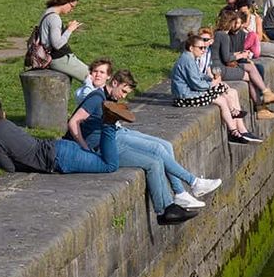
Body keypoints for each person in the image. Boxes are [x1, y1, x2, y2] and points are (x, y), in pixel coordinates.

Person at [74, 59, 221, 209]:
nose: (124, 96)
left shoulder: (109, 96)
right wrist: (84, 147)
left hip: (115, 133)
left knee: (166, 145)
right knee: (156, 152)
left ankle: (180, 193)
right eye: (124, 91)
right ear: (115, 82)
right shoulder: (97, 97)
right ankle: (194, 183)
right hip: (108, 140)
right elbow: (74, 122)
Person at [0, 96, 120, 175]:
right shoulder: (9, 124)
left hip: (60, 159)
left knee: (109, 165)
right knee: (103, 159)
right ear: (4, 114)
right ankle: (109, 122)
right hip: (59, 145)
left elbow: (9, 168)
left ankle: (109, 122)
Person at [172, 29, 262, 144]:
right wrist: (212, 84)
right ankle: (234, 130)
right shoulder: (187, 60)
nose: (203, 50)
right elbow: (196, 83)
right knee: (221, 100)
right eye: (200, 48)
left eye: (204, 47)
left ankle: (234, 119)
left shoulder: (189, 58)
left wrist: (212, 80)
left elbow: (200, 75)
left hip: (189, 93)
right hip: (184, 97)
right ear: (191, 48)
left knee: (222, 90)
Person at [213, 10, 274, 119]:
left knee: (250, 71)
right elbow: (227, 58)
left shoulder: (218, 34)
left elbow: (225, 54)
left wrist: (239, 54)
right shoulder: (224, 36)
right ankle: (263, 101)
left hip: (220, 67)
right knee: (250, 74)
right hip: (222, 69)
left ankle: (263, 103)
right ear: (230, 22)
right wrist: (241, 56)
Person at [39, 0, 88, 82]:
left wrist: (65, 29)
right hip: (58, 59)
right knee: (94, 78)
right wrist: (69, 30)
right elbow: (57, 45)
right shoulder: (54, 18)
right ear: (65, 1)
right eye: (72, 6)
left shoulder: (47, 12)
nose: (72, 10)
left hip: (52, 57)